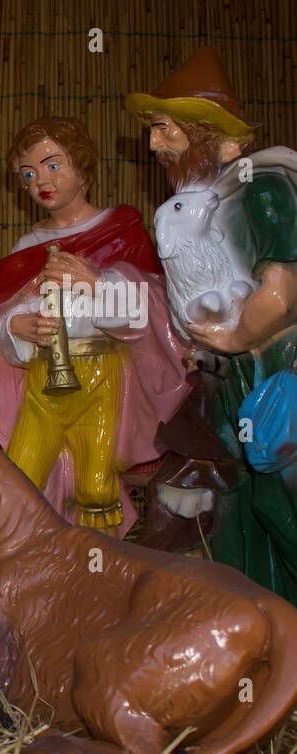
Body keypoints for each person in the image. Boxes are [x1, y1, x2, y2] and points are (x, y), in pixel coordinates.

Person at [0, 116, 187, 537]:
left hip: (103, 376)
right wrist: (15, 329)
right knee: (22, 473)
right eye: (28, 174)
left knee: (96, 484)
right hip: (43, 380)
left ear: (81, 165)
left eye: (52, 164)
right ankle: (26, 563)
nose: (40, 180)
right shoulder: (26, 249)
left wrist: (98, 284)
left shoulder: (123, 230)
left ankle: (99, 569)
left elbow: (155, 314)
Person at [128, 48, 297, 600]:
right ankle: (260, 617)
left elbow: (280, 294)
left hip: (273, 369)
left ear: (209, 135)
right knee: (233, 501)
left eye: (165, 130)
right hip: (225, 377)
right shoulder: (188, 210)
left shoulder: (263, 187)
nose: (154, 145)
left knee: (278, 493)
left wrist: (235, 338)